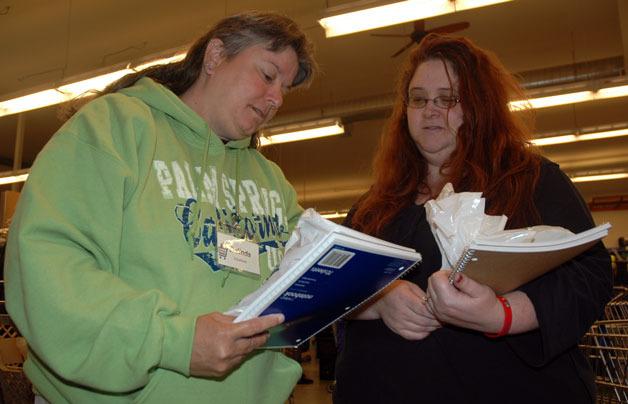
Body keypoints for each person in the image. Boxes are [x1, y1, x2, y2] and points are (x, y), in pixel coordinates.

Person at [4, 11, 316, 403]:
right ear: (216, 56)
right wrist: (174, 341)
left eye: (285, 88)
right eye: (268, 76)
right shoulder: (115, 128)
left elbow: (310, 270)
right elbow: (50, 264)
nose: (276, 99)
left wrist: (372, 295)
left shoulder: (270, 181)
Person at [333, 34, 612, 404]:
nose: (430, 110)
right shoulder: (375, 205)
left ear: (479, 106)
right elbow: (331, 288)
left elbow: (588, 276)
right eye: (418, 99)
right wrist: (380, 298)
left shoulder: (530, 180)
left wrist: (502, 315)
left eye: (447, 99)